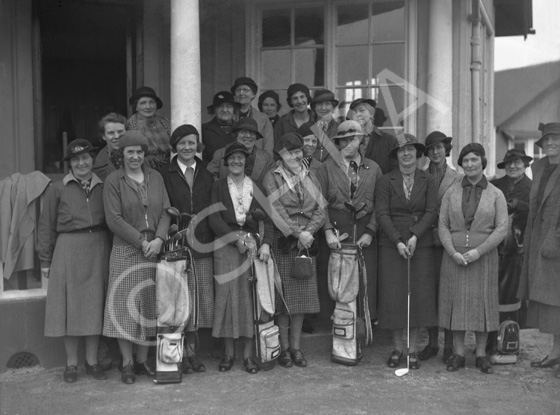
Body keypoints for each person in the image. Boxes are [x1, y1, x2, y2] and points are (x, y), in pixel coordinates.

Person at [37, 139, 111, 383]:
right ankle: (71, 364)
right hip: (68, 248)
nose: (81, 163)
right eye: (76, 160)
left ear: (92, 160)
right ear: (69, 164)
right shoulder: (57, 188)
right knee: (69, 308)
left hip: (98, 246)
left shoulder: (104, 186)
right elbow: (46, 226)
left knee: (94, 306)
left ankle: (91, 361)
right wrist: (45, 260)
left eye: (85, 158)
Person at [102, 131, 171, 384]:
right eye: (130, 151)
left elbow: (166, 210)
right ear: (122, 154)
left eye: (139, 151)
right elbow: (113, 219)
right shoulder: (113, 180)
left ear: (144, 154)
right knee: (124, 306)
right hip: (126, 250)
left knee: (149, 305)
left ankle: (142, 360)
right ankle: (127, 362)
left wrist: (159, 239)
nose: (135, 156)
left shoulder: (156, 177)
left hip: (154, 249)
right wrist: (141, 242)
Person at [439, 143, 508, 374]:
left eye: (474, 160)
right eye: (465, 160)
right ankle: (458, 354)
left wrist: (479, 251)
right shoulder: (451, 191)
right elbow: (442, 224)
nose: (469, 165)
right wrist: (453, 252)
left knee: (483, 305)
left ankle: (480, 355)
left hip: (484, 258)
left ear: (483, 162)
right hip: (454, 258)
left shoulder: (496, 194)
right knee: (456, 304)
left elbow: (502, 228)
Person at [209, 142, 273, 374]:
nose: (236, 161)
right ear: (226, 161)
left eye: (241, 158)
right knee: (226, 298)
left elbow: (269, 218)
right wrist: (234, 239)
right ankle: (228, 353)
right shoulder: (218, 186)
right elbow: (214, 219)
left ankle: (247, 355)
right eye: (232, 158)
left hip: (251, 247)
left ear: (246, 161)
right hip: (226, 246)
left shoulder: (255, 187)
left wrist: (265, 243)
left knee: (249, 299)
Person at [262, 132, 325, 368]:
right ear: (281, 154)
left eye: (298, 151)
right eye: (290, 152)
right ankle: (283, 349)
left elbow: (321, 208)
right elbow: (275, 209)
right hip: (284, 241)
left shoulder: (310, 175)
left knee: (301, 299)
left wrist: (308, 232)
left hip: (307, 242)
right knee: (283, 300)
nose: (296, 156)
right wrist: (298, 233)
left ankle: (296, 347)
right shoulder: (272, 177)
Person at [376, 134, 438, 370]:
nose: (407, 154)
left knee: (417, 296)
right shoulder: (385, 181)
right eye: (402, 150)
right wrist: (398, 241)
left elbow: (431, 211)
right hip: (392, 244)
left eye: (411, 149)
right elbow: (381, 214)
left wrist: (414, 236)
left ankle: (412, 350)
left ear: (418, 153)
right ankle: (397, 349)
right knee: (394, 297)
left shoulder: (428, 180)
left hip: (420, 243)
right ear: (396, 156)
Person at [158, 124, 216, 375]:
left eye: (191, 142)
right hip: (176, 244)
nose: (187, 147)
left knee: (196, 300)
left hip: (202, 242)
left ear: (197, 146)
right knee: (176, 300)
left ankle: (191, 352)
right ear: (175, 147)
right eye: (182, 143)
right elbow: (164, 206)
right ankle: (177, 353)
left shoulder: (206, 173)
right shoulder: (164, 173)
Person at [316, 120, 382, 321]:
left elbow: (381, 204)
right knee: (336, 280)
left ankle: (362, 330)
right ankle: (338, 332)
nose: (349, 144)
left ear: (361, 141)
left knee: (364, 281)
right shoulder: (326, 168)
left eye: (354, 139)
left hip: (364, 231)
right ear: (338, 143)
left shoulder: (374, 168)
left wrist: (370, 231)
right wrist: (327, 230)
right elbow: (320, 202)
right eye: (344, 140)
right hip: (337, 230)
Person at [517, 122, 560, 378]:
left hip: (556, 243)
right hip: (541, 243)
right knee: (554, 304)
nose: (551, 143)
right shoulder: (541, 168)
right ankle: (556, 352)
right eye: (547, 140)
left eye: (556, 139)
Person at [418, 131, 461, 364]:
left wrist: (443, 232)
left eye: (440, 147)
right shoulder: (421, 176)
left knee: (449, 292)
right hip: (426, 241)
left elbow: (460, 210)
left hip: (449, 242)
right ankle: (432, 343)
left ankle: (450, 345)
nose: (436, 151)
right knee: (430, 291)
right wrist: (430, 230)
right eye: (431, 148)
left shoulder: (458, 177)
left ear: (446, 149)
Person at [487, 149, 532, 356]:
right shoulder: (495, 186)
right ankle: (489, 339)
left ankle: (509, 338)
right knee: (491, 294)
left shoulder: (532, 188)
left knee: (512, 295)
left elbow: (537, 211)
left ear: (525, 164)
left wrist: (518, 205)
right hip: (493, 249)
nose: (513, 166)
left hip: (518, 250)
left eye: (517, 163)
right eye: (509, 163)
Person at [207, 117, 275, 190]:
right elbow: (209, 176)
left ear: (256, 136)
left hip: (257, 199)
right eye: (244, 132)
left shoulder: (267, 158)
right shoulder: (221, 154)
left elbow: (273, 183)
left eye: (252, 133)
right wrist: (224, 192)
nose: (248, 136)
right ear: (236, 135)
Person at [126, 86, 171, 169]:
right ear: (136, 107)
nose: (148, 107)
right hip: (144, 167)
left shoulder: (165, 121)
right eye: (143, 103)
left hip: (169, 166)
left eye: (152, 102)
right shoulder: (130, 125)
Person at [350, 98, 398, 174]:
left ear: (371, 114)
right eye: (355, 112)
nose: (358, 114)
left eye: (361, 110)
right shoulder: (347, 140)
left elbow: (395, 170)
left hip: (381, 184)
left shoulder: (389, 140)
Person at [231, 77, 274, 156]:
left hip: (256, 161)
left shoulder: (263, 118)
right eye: (238, 90)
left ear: (253, 94)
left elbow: (268, 146)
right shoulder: (229, 115)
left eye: (245, 90)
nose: (241, 93)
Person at [273, 83, 315, 155]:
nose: (299, 101)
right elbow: (277, 147)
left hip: (314, 163)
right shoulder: (283, 122)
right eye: (295, 98)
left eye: (302, 97)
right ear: (291, 102)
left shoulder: (316, 119)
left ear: (307, 98)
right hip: (289, 163)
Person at [201, 91, 240, 163]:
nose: (225, 110)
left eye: (228, 106)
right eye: (220, 106)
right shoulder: (204, 130)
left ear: (234, 109)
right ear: (214, 110)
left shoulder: (241, 129)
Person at [92, 112, 127, 181]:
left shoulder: (140, 155)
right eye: (111, 133)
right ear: (103, 136)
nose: (116, 136)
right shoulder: (99, 164)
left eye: (120, 132)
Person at [309, 89, 339, 162]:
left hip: (333, 171)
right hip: (310, 171)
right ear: (314, 108)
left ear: (333, 108)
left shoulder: (340, 129)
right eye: (319, 104)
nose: (323, 108)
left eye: (327, 104)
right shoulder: (306, 128)